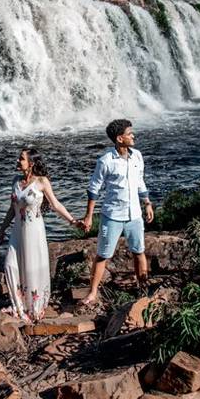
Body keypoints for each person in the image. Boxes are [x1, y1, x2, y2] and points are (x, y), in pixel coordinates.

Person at [0, 147, 79, 323]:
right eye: (19, 158)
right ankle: (18, 305)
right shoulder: (16, 181)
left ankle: (33, 307)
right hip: (17, 230)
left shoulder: (41, 181)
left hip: (34, 231)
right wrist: (2, 229)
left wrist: (73, 221)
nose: (18, 161)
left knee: (31, 267)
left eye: (22, 159)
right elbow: (12, 209)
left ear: (31, 163)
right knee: (10, 265)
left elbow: (55, 205)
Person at [78, 119, 154, 306]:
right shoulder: (105, 161)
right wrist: (88, 216)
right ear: (120, 139)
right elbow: (93, 189)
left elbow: (140, 182)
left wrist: (147, 203)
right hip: (112, 215)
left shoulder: (137, 156)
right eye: (130, 134)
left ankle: (142, 289)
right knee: (103, 254)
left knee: (139, 251)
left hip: (134, 214)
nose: (133, 136)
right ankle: (93, 292)